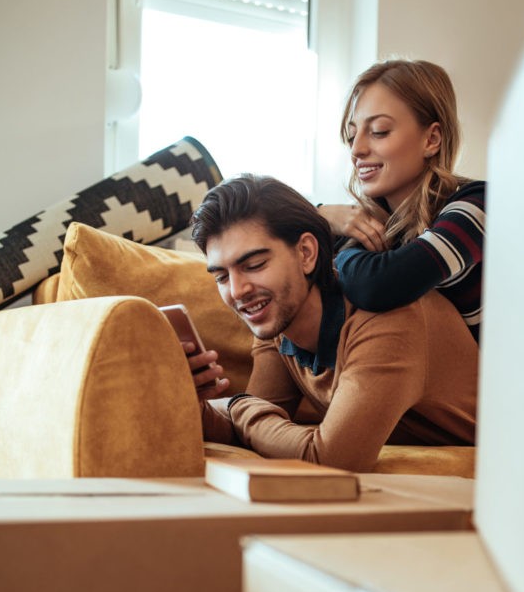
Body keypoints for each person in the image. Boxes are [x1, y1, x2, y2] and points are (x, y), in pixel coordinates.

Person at [187, 173, 478, 471]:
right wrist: (191, 404)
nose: (237, 291)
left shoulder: (388, 320)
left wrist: (237, 406)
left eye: (254, 265)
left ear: (306, 253)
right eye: (222, 276)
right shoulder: (276, 321)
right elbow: (255, 425)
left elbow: (330, 458)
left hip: (499, 474)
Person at [319, 58, 485, 343]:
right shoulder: (372, 226)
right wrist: (320, 215)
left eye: (379, 131)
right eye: (351, 135)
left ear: (432, 139)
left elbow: (378, 284)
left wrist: (339, 258)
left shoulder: (479, 205)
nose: (356, 150)